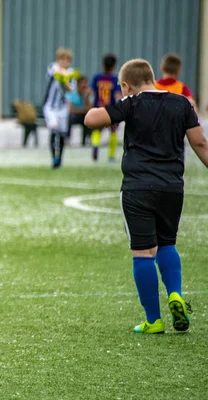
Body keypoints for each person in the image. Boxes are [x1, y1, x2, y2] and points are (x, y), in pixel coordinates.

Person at [84, 59, 206, 334]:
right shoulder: (182, 104)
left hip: (138, 188)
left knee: (142, 251)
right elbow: (200, 144)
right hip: (172, 188)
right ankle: (175, 293)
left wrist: (117, 102)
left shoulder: (132, 103)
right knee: (167, 243)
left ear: (126, 85)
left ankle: (154, 320)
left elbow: (91, 119)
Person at [43, 48, 78, 168]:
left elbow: (71, 89)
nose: (63, 62)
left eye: (66, 59)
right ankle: (53, 158)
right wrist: (63, 77)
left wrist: (65, 82)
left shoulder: (71, 73)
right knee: (53, 129)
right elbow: (55, 74)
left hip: (62, 108)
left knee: (62, 133)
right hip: (50, 106)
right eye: (61, 59)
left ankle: (60, 159)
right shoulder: (53, 68)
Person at [90, 54, 122, 162]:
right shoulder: (114, 79)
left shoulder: (97, 77)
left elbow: (90, 92)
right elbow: (117, 95)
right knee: (113, 131)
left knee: (97, 130)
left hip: (98, 108)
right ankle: (111, 156)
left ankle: (95, 144)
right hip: (111, 109)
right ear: (114, 66)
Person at [66, 76, 93, 146]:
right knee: (70, 118)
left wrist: (86, 97)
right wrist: (83, 110)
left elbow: (90, 109)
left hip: (83, 115)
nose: (84, 86)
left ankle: (86, 139)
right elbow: (70, 109)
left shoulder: (88, 95)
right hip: (74, 116)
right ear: (78, 84)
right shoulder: (71, 94)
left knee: (89, 118)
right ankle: (67, 138)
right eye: (82, 84)